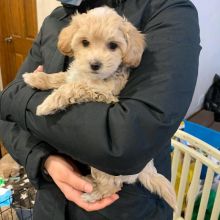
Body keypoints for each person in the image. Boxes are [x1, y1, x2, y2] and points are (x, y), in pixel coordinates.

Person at [0, 0, 201, 219]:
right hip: (49, 203)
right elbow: (7, 108)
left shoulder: (167, 11)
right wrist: (44, 159)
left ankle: (105, 187)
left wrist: (32, 102)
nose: (96, 59)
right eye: (85, 43)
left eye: (112, 46)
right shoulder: (55, 19)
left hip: (121, 209)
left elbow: (126, 140)